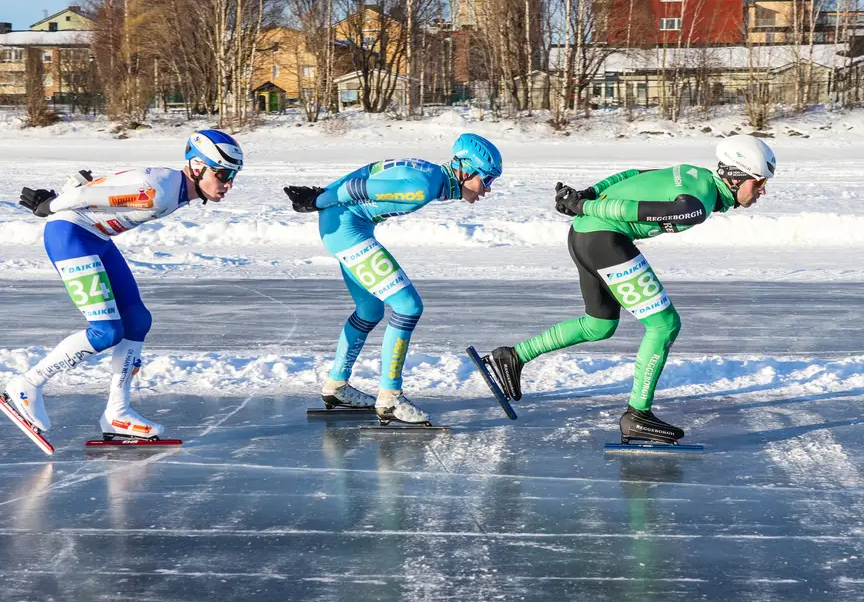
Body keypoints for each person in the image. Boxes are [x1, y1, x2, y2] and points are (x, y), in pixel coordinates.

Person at [481, 136, 776, 444]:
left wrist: (588, 193)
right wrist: (584, 202)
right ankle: (637, 415)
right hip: (603, 238)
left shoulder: (695, 174)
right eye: (758, 183)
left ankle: (513, 356)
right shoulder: (695, 206)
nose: (762, 191)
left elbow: (633, 175)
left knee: (599, 325)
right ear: (735, 177)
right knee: (664, 325)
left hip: (584, 234)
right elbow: (630, 210)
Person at [2, 130, 243, 443]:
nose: (228, 184)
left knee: (137, 320)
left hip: (95, 238)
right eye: (222, 174)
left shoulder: (174, 188)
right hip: (70, 237)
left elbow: (102, 189)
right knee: (107, 332)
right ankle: (27, 384)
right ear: (197, 166)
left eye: (232, 176)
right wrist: (50, 205)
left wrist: (79, 186)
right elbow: (83, 198)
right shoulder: (160, 191)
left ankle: (118, 412)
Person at [285, 133, 502, 425]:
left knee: (370, 310)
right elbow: (357, 186)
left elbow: (365, 181)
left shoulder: (433, 176)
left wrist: (321, 197)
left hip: (346, 225)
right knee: (408, 306)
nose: (487, 190)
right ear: (466, 169)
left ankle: (336, 386)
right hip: (346, 228)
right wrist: (318, 200)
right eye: (486, 180)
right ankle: (390, 398)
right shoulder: (424, 187)